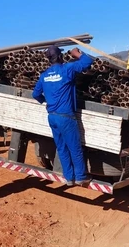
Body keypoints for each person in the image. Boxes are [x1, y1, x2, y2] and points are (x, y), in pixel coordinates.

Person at [32, 46, 93, 186]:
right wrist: (77, 53)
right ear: (60, 56)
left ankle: (69, 178)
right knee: (74, 147)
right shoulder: (67, 69)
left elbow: (35, 94)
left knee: (61, 148)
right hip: (65, 116)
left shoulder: (44, 76)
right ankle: (80, 177)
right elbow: (87, 61)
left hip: (52, 116)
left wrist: (46, 101)